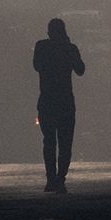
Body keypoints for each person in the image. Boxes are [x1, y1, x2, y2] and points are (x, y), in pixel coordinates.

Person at [31, 16, 85, 192]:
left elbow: (37, 66)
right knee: (65, 143)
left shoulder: (41, 47)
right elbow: (80, 70)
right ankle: (60, 178)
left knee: (49, 142)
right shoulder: (69, 49)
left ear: (49, 32)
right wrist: (67, 48)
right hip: (65, 102)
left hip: (47, 101)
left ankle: (51, 179)